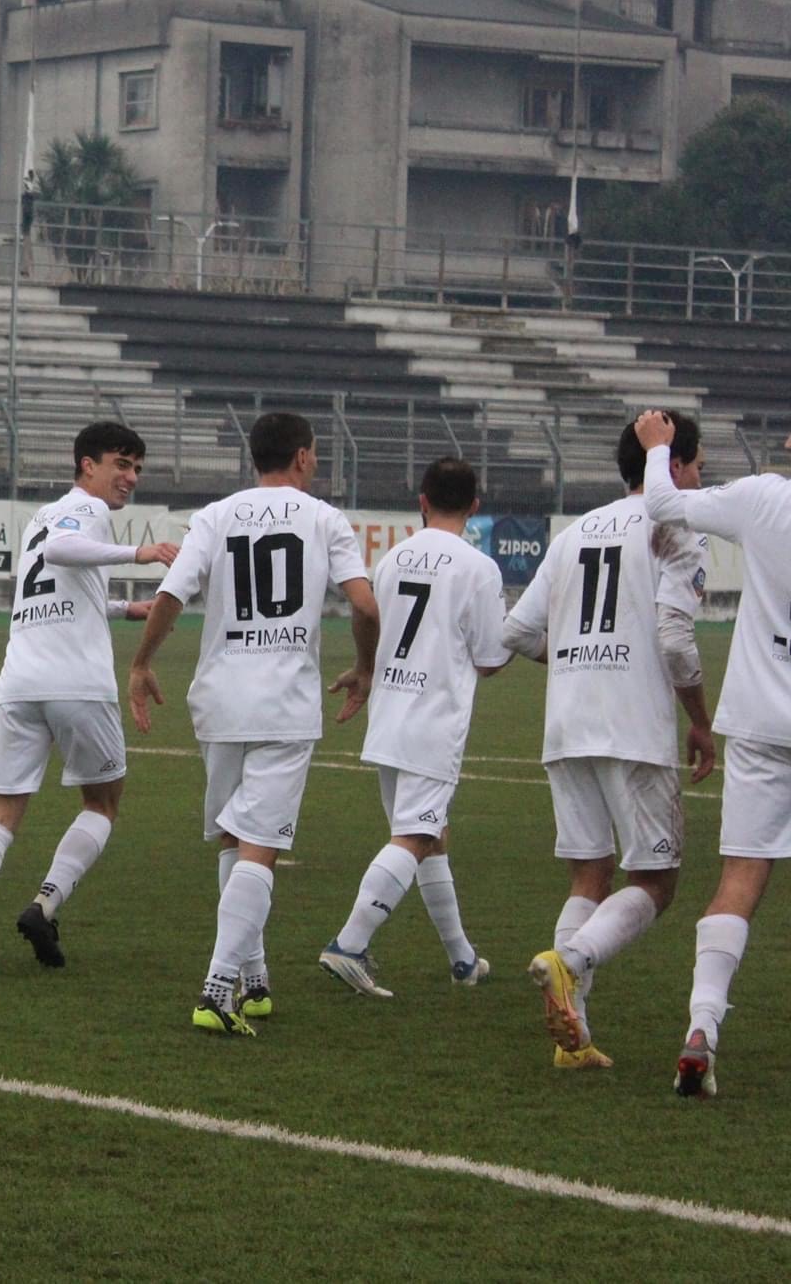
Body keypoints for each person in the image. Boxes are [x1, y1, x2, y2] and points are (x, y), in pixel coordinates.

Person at [127, 411, 379, 1037]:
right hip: (285, 705)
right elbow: (365, 604)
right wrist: (366, 666)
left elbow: (169, 598)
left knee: (232, 839)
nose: (317, 462)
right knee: (259, 849)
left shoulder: (215, 516)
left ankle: (255, 978)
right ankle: (217, 988)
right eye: (315, 453)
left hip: (219, 699)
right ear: (300, 457)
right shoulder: (324, 519)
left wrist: (140, 663)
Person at [505, 412, 713, 1071]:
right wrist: (700, 719)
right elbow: (677, 644)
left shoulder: (574, 533)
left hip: (567, 723)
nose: (700, 476)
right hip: (633, 723)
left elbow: (516, 631)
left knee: (590, 873)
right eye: (698, 463)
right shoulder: (674, 527)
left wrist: (573, 659)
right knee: (655, 878)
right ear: (672, 467)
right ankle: (570, 960)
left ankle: (575, 1036)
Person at [0, 421, 179, 973]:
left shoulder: (39, 518)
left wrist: (124, 610)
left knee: (2, 811)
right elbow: (67, 550)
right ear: (86, 466)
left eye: (137, 468)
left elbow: (54, 582)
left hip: (19, 683)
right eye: (121, 464)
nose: (131, 478)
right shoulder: (83, 513)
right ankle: (45, 904)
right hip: (76, 683)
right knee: (103, 802)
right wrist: (140, 553)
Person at [636, 409, 791, 1097]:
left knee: (740, 875)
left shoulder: (765, 498)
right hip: (760, 719)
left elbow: (664, 502)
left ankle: (702, 1025)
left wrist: (659, 446)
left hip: (761, 718)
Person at [318, 457, 510, 998]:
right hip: (434, 719)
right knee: (417, 834)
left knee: (432, 834)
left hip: (391, 712)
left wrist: (364, 669)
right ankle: (349, 945)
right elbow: (491, 659)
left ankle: (462, 959)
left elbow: (367, 617)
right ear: (475, 506)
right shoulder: (478, 567)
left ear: (421, 501)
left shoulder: (392, 558)